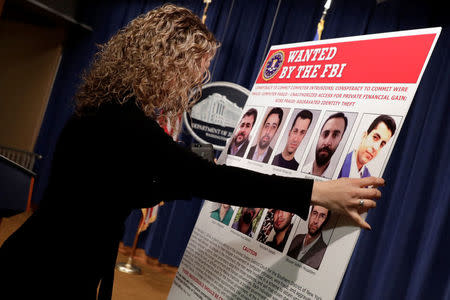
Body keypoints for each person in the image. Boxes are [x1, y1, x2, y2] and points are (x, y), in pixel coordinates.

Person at [0, 4, 384, 299]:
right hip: (50, 273)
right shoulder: (127, 123)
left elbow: (116, 190)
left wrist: (180, 177)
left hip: (41, 257)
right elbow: (216, 181)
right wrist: (317, 191)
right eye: (193, 71)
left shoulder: (101, 109)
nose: (193, 83)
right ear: (167, 63)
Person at [302, 112, 348, 178]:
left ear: (340, 139)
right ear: (319, 135)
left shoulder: (338, 179)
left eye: (335, 135)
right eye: (325, 134)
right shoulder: (302, 169)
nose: (327, 142)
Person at [287, 205, 330, 269]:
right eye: (314, 213)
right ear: (310, 215)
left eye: (322, 216)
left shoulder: (324, 252)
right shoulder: (297, 238)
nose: (315, 221)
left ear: (326, 221)